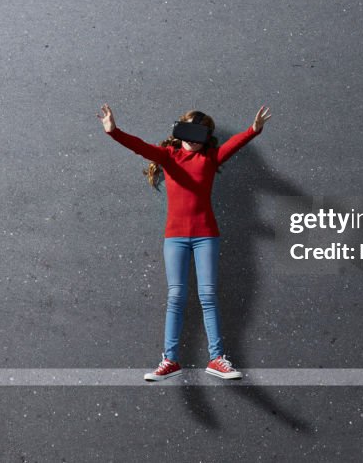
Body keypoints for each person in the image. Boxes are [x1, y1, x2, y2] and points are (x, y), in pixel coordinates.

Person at [97, 103, 272, 381]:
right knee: (176, 296)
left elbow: (235, 145)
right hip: (175, 237)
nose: (192, 140)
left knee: (208, 296)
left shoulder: (211, 159)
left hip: (206, 236)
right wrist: (113, 131)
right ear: (178, 133)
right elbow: (140, 147)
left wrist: (254, 130)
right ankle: (170, 361)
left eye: (198, 135)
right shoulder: (168, 157)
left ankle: (216, 359)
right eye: (187, 133)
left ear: (206, 137)